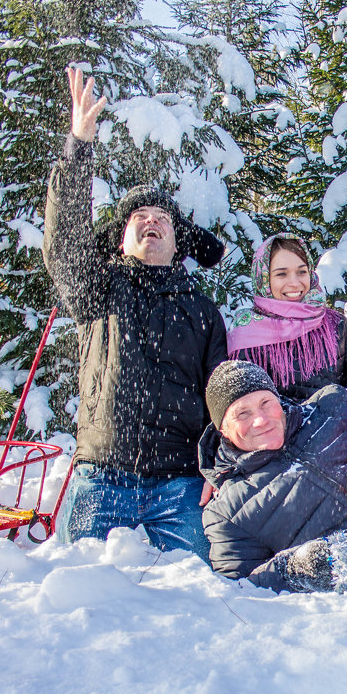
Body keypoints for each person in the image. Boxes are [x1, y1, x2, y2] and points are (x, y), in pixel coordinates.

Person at [43, 67, 227, 561]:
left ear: (178, 241)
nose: (151, 222)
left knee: (203, 597)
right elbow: (63, 244)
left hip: (180, 484)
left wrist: (217, 471)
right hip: (102, 474)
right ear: (121, 238)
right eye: (139, 219)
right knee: (74, 594)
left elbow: (220, 400)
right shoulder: (98, 289)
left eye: (162, 218)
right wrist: (79, 145)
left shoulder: (203, 310)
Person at [199, 360, 347, 591]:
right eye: (242, 413)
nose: (261, 419)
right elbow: (239, 592)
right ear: (222, 429)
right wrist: (291, 569)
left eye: (266, 403)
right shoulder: (226, 514)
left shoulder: (333, 404)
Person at [227, 234, 347, 400]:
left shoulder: (337, 324)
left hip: (337, 424)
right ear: (263, 279)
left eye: (301, 271)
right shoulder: (245, 333)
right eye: (281, 274)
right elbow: (248, 406)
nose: (294, 282)